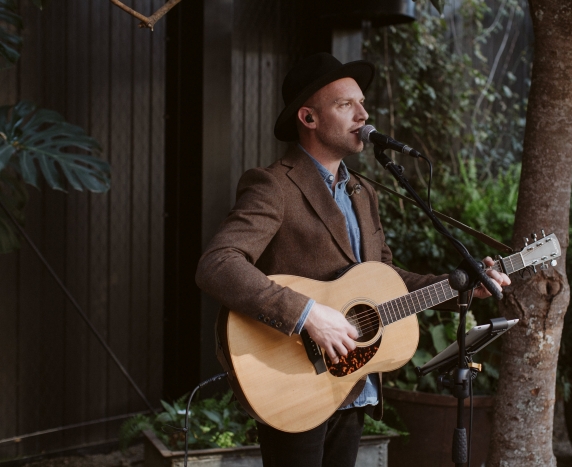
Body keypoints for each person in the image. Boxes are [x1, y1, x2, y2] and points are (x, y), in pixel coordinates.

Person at [195, 53, 510, 467]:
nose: (363, 114)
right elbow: (218, 264)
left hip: (355, 382)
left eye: (362, 103)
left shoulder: (364, 191)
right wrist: (307, 313)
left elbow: (385, 279)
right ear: (308, 118)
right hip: (294, 381)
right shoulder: (274, 186)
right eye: (346, 105)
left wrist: (463, 285)